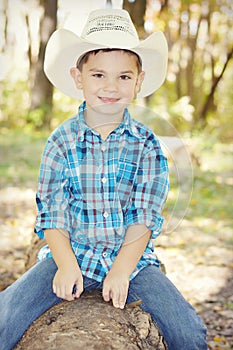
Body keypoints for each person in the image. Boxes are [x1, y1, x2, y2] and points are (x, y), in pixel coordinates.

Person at [0, 8, 207, 349]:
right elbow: (53, 212)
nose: (111, 86)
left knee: (189, 332)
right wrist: (66, 266)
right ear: (78, 77)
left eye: (124, 77)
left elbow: (144, 215)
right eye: (98, 75)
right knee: (6, 317)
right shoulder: (61, 141)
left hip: (132, 261)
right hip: (71, 251)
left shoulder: (147, 145)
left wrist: (122, 270)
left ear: (138, 82)